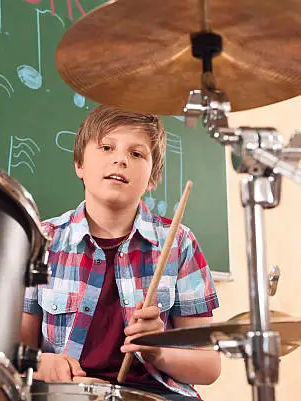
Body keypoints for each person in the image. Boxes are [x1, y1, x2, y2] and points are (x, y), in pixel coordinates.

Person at [22, 105, 220, 400]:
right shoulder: (42, 239)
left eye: (136, 153)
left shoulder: (179, 242)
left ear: (153, 178)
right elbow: (12, 350)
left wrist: (156, 351)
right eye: (106, 147)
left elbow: (208, 366)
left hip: (155, 394)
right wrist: (40, 363)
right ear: (79, 164)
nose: (120, 159)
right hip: (66, 394)